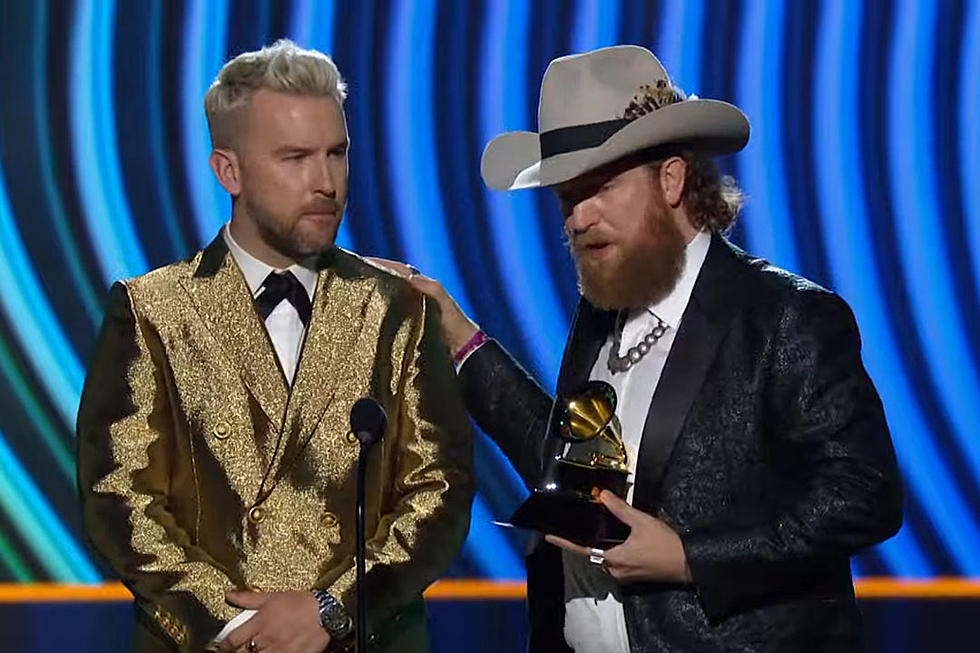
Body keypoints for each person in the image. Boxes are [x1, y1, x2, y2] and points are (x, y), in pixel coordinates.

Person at [385, 45, 903, 652]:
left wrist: (691, 558)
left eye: (599, 187)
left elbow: (864, 495)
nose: (578, 217)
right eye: (566, 198)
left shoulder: (786, 318)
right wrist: (461, 340)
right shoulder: (601, 312)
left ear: (673, 179)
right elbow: (568, 472)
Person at [76, 40, 473, 653]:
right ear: (228, 171)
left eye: (337, 154)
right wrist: (239, 628)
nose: (326, 183)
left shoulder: (399, 310)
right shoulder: (151, 311)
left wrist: (331, 611)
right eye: (295, 158)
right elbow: (119, 497)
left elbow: (439, 491)